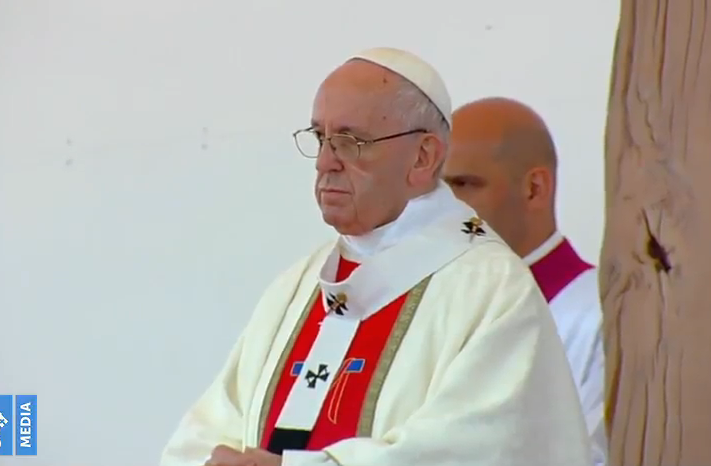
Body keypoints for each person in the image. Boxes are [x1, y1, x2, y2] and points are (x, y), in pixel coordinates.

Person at [160, 48, 592, 466]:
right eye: (320, 138)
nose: (325, 162)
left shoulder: (491, 289)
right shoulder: (299, 285)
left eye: (350, 141)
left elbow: (478, 451)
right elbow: (207, 432)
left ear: (423, 157)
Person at [443, 97, 607, 466]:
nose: (444, 208)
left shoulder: (601, 319)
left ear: (534, 188)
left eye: (464, 184)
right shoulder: (432, 315)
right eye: (435, 190)